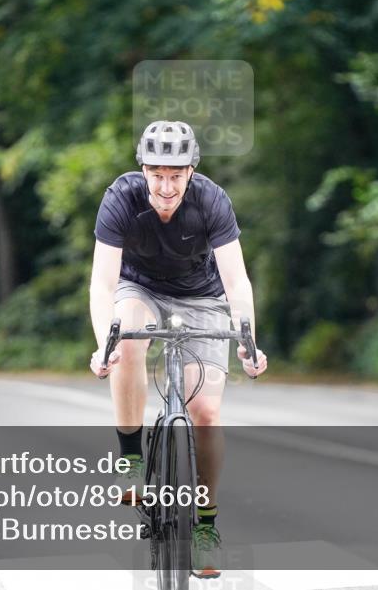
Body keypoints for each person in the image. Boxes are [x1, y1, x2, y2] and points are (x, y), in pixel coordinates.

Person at [89, 119, 267, 579]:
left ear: (192, 172)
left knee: (206, 411)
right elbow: (103, 281)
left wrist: (247, 335)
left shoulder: (211, 200)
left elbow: (236, 280)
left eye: (176, 175)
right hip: (140, 289)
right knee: (127, 335)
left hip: (203, 297)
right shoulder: (121, 199)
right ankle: (130, 454)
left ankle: (205, 526)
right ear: (142, 169)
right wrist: (103, 343)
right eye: (156, 174)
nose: (166, 187)